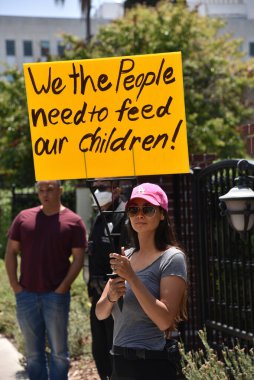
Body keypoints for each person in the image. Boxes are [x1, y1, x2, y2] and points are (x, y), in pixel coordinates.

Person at [96, 182, 188, 380]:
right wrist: (111, 295)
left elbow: (165, 320)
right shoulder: (126, 256)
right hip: (120, 361)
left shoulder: (172, 258)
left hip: (152, 364)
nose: (139, 215)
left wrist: (132, 278)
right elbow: (100, 312)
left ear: (162, 214)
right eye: (133, 209)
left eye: (147, 209)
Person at [5, 180, 87, 380]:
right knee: (33, 355)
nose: (45, 194)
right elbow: (10, 252)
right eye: (41, 190)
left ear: (60, 190)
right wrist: (15, 286)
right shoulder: (24, 218)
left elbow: (78, 258)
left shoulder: (73, 221)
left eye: (49, 189)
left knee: (59, 353)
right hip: (26, 296)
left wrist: (63, 287)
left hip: (55, 297)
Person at [87, 179, 127, 380]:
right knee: (100, 350)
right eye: (95, 187)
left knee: (115, 352)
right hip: (98, 295)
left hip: (117, 296)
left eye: (102, 188)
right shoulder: (100, 216)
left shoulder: (123, 215)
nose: (97, 191)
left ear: (116, 189)